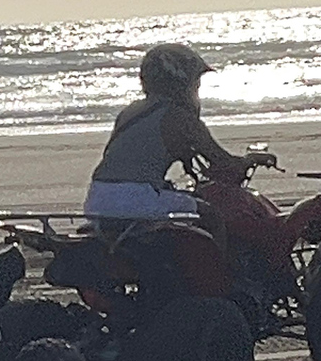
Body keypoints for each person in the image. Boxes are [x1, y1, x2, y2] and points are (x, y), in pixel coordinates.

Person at [83, 43, 251, 247]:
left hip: (97, 198)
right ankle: (222, 275)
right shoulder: (180, 117)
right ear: (180, 82)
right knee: (210, 215)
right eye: (195, 83)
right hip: (135, 199)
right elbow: (221, 160)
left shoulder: (131, 111)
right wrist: (248, 160)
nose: (196, 89)